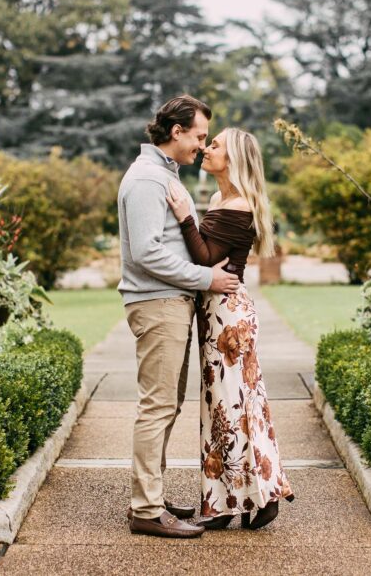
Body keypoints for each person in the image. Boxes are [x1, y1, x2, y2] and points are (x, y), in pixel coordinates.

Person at [117, 94, 240, 539]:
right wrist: (204, 277)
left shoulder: (162, 173)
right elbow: (148, 251)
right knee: (157, 406)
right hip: (157, 304)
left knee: (167, 405)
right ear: (176, 132)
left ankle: (151, 496)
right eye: (200, 136)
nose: (203, 146)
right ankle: (146, 510)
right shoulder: (149, 179)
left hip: (169, 303)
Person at [166, 127, 295, 531]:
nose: (206, 147)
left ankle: (246, 498)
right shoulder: (224, 199)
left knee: (231, 408)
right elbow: (207, 262)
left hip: (227, 319)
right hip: (220, 312)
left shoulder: (236, 205)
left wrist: (185, 215)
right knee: (228, 408)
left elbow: (204, 256)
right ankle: (225, 500)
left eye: (216, 144)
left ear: (234, 159)